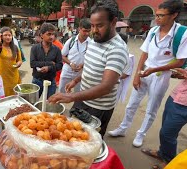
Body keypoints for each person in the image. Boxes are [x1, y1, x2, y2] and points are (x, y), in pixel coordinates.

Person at [108, 0, 187, 147]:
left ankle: (141, 134)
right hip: (145, 71)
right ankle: (123, 128)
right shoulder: (153, 31)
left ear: (174, 15)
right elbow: (144, 54)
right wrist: (137, 75)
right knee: (132, 104)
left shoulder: (184, 33)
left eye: (161, 15)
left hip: (161, 75)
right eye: (156, 15)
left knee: (152, 107)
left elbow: (180, 61)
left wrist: (154, 70)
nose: (157, 18)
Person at [48, 0, 128, 137]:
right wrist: (76, 80)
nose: (95, 30)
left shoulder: (117, 49)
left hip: (98, 107)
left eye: (100, 25)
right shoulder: (96, 40)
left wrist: (71, 96)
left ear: (113, 22)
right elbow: (91, 67)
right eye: (92, 26)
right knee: (72, 134)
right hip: (82, 99)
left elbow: (106, 87)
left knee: (89, 141)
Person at [140, 54, 187, 169]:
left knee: (167, 133)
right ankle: (163, 153)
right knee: (166, 128)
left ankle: (169, 160)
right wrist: (183, 73)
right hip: (176, 95)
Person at [30, 23, 63, 98]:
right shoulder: (35, 48)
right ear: (41, 35)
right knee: (33, 102)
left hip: (51, 81)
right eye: (49, 34)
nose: (51, 37)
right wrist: (50, 63)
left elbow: (60, 65)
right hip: (37, 80)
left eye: (53, 34)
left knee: (50, 103)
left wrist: (49, 68)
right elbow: (32, 64)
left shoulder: (57, 49)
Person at [59, 18, 91, 93]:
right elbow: (62, 56)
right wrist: (70, 63)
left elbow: (92, 59)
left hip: (81, 74)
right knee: (62, 91)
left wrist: (83, 65)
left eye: (89, 31)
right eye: (84, 31)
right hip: (67, 72)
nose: (87, 33)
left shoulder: (91, 43)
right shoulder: (71, 41)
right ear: (79, 29)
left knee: (78, 93)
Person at [0, 26, 22, 96]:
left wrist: (18, 64)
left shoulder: (15, 47)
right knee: (4, 98)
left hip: (14, 77)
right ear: (1, 36)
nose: (8, 37)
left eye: (9, 35)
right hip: (2, 78)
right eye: (5, 35)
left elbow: (20, 60)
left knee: (15, 97)